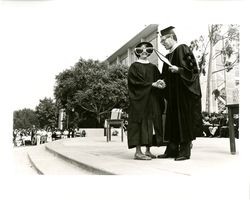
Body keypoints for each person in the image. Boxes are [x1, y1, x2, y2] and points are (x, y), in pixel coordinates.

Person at [157, 26, 202, 161]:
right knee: (172, 121)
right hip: (173, 95)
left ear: (171, 37)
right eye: (161, 41)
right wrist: (162, 82)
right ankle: (171, 150)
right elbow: (165, 75)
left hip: (184, 95)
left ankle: (184, 151)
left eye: (164, 40)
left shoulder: (183, 48)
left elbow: (194, 71)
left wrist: (180, 70)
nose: (162, 43)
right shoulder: (168, 55)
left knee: (183, 122)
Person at [127, 41, 165, 160]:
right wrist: (151, 84)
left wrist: (161, 83)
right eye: (141, 49)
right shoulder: (134, 67)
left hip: (152, 100)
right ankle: (138, 152)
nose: (144, 51)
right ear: (137, 52)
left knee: (152, 124)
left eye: (146, 49)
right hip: (140, 100)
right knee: (140, 124)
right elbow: (134, 84)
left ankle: (148, 150)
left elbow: (158, 79)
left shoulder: (153, 67)